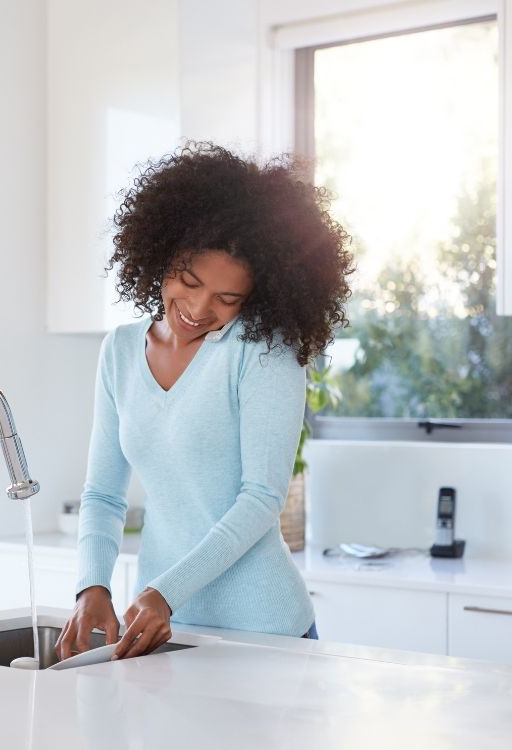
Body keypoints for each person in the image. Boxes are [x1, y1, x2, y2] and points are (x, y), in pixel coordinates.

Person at [55, 142, 353, 662]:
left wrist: (165, 591)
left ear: (257, 296)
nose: (196, 308)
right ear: (160, 255)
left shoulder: (265, 351)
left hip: (265, 632)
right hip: (164, 630)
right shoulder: (121, 350)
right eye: (188, 281)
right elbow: (103, 494)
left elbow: (261, 497)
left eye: (227, 298)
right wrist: (92, 587)